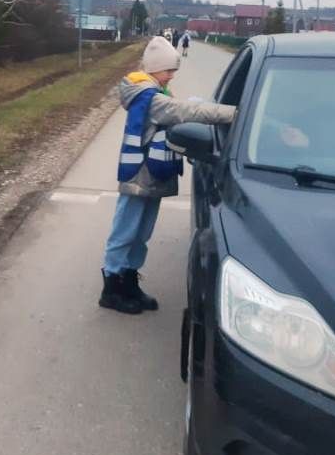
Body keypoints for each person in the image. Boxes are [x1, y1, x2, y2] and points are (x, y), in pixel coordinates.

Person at [100, 36, 236, 315]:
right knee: (126, 232)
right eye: (169, 71)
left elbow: (180, 107)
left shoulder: (158, 93)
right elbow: (186, 111)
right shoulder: (149, 98)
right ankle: (111, 288)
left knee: (141, 234)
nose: (172, 76)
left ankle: (129, 281)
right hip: (138, 176)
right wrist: (235, 113)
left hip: (153, 175)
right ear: (153, 69)